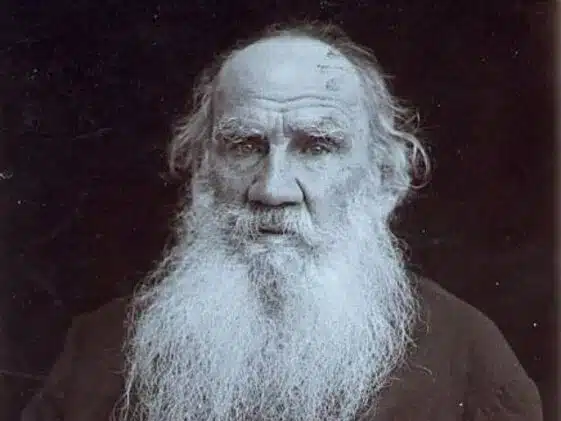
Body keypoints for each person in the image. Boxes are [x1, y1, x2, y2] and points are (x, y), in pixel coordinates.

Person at [21, 22, 542, 421]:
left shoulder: (468, 353)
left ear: (386, 180)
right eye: (245, 145)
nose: (272, 189)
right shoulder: (98, 348)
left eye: (317, 147)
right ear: (201, 172)